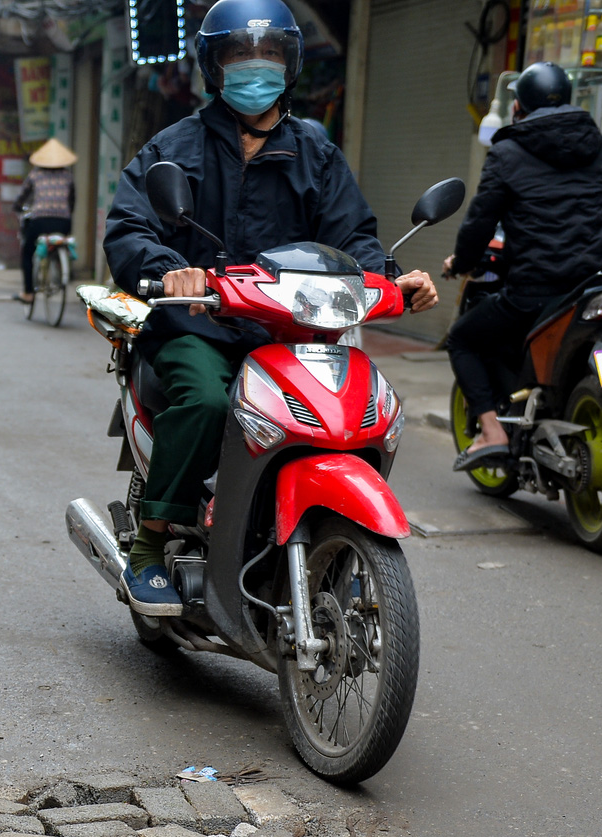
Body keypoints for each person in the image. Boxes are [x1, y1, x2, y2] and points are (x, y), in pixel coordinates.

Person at [103, 0, 437, 616]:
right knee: (207, 401)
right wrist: (167, 271)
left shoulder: (315, 151)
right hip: (198, 324)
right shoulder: (174, 148)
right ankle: (151, 543)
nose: (255, 69)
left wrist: (391, 277)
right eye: (239, 57)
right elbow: (128, 228)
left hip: (292, 328)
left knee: (353, 408)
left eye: (268, 57)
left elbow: (354, 235)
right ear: (214, 66)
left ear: (290, 65)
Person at [441, 62, 602, 467]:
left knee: (463, 338)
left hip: (534, 293)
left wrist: (462, 262)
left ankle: (492, 432)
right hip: (595, 288)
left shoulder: (507, 152)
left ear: (518, 108)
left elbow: (479, 222)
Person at [18, 138, 77, 304]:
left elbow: (22, 197)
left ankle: (28, 292)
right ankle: (63, 269)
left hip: (40, 221)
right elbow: (72, 201)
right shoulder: (68, 176)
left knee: (27, 252)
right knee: (61, 242)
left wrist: (17, 207)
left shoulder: (35, 174)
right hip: (63, 222)